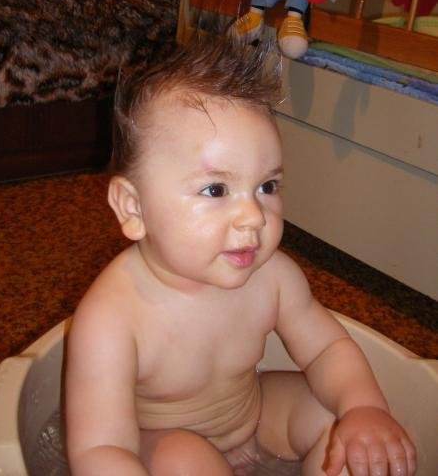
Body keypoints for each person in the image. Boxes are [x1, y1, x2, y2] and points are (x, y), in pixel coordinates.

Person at [65, 37, 416, 476]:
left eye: (267, 186)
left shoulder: (274, 278)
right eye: (216, 189)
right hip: (160, 442)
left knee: (344, 433)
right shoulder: (111, 317)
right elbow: (100, 449)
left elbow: (327, 348)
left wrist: (364, 408)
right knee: (185, 460)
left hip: (256, 416)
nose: (253, 216)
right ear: (134, 209)